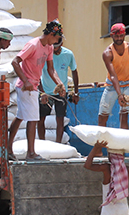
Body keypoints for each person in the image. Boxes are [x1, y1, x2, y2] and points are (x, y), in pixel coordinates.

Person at [8, 20, 66, 161]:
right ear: (51, 34)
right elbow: (15, 62)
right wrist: (26, 81)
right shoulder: (33, 45)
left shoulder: (49, 48)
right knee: (33, 118)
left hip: (33, 85)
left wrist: (60, 84)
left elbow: (51, 69)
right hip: (25, 86)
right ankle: (31, 153)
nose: (57, 41)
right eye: (57, 38)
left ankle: (8, 148)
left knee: (21, 116)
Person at [98, 23, 129, 130]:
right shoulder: (107, 53)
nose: (119, 38)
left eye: (121, 36)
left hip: (128, 84)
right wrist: (119, 95)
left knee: (124, 116)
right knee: (102, 117)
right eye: (116, 36)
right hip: (112, 86)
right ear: (111, 35)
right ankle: (100, 145)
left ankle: (124, 145)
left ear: (124, 35)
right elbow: (113, 75)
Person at [37, 35, 79, 143]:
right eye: (52, 47)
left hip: (61, 93)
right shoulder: (44, 55)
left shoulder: (68, 54)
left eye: (57, 47)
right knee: (41, 119)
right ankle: (42, 143)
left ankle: (58, 144)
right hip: (46, 92)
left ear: (61, 44)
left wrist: (76, 92)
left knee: (60, 119)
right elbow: (36, 73)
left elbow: (74, 72)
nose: (54, 50)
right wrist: (42, 92)